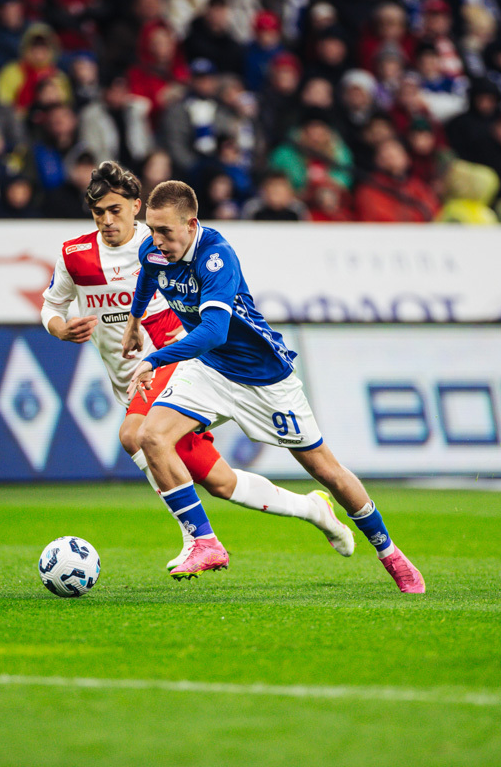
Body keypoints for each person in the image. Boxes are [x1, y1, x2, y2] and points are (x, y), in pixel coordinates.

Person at [42, 161, 354, 571]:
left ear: (136, 207)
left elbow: (206, 294)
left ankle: (199, 540)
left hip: (174, 364)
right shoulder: (75, 255)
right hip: (130, 382)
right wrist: (60, 328)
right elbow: (51, 305)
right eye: (98, 212)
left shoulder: (161, 242)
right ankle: (313, 509)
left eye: (115, 210)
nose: (107, 220)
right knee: (221, 483)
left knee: (134, 434)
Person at [121, 180, 425, 591]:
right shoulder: (153, 249)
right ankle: (205, 542)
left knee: (326, 471)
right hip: (210, 370)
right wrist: (135, 322)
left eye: (165, 231)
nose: (157, 240)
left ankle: (390, 553)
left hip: (264, 378)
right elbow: (148, 275)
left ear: (191, 224)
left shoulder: (217, 257)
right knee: (150, 436)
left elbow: (213, 331)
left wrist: (154, 358)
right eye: (152, 229)